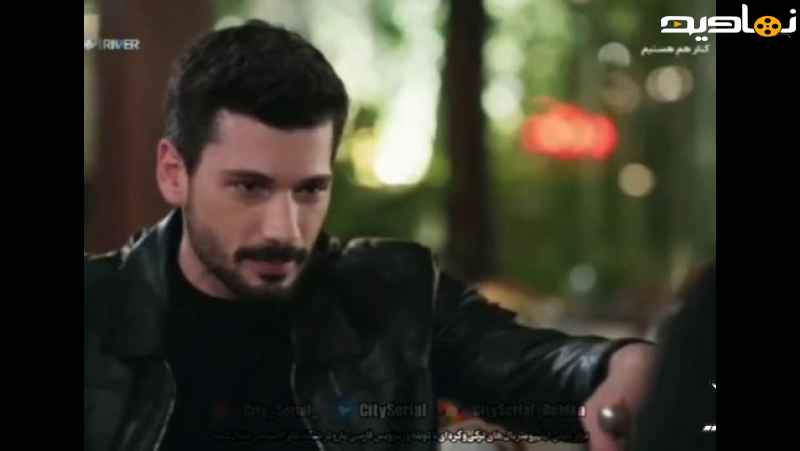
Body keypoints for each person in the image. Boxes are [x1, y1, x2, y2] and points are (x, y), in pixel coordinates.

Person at [84, 20, 655, 451]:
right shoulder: (94, 313)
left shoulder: (390, 296)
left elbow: (539, 367)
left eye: (309, 190)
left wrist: (623, 365)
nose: (284, 229)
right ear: (173, 173)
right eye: (249, 187)